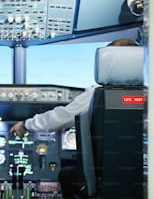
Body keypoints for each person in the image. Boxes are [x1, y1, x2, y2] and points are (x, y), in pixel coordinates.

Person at [9, 38, 139, 198]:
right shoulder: (149, 95)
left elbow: (60, 117)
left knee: (66, 174)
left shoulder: (96, 95)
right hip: (140, 181)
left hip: (104, 180)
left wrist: (26, 124)